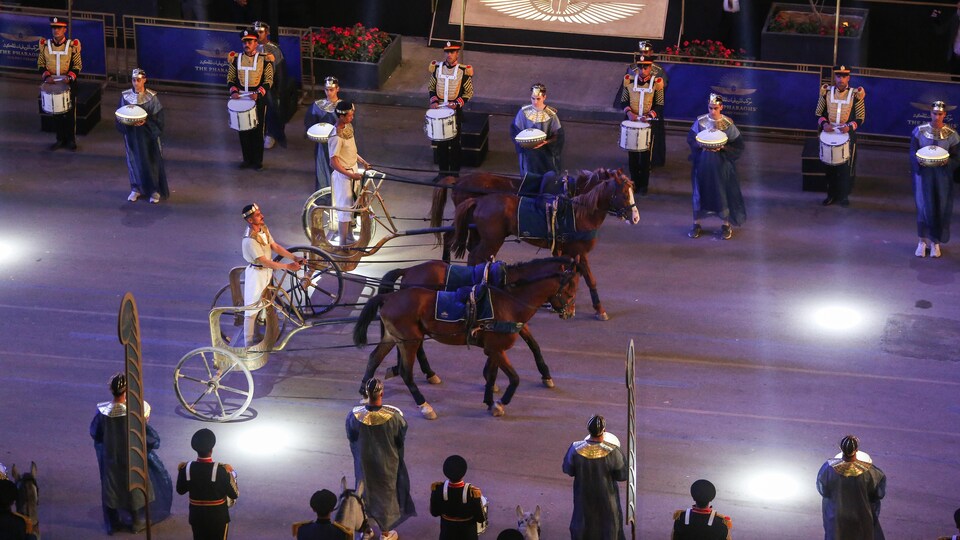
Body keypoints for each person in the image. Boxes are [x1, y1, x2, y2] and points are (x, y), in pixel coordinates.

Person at [90, 373, 173, 533]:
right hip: (132, 456)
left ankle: (114, 523)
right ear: (127, 391)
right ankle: (136, 520)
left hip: (111, 457)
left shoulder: (102, 413)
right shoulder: (135, 412)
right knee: (135, 485)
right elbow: (149, 437)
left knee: (112, 487)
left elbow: (95, 432)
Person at [345, 378, 416, 539]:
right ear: (382, 393)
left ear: (366, 394)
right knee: (385, 497)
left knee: (363, 494)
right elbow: (400, 438)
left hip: (363, 463)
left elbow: (351, 436)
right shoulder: (394, 418)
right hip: (387, 464)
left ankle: (365, 531)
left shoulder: (353, 416)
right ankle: (385, 533)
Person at [240, 203, 304, 346]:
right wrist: (287, 266)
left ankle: (262, 332)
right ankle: (248, 344)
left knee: (264, 302)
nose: (262, 216)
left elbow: (274, 247)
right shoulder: (250, 240)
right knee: (251, 310)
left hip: (266, 273)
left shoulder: (263, 229)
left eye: (260, 213)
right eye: (257, 215)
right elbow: (264, 262)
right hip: (256, 275)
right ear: (250, 220)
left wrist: (294, 258)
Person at [686, 93, 746, 240]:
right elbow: (691, 138)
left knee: (722, 193)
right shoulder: (701, 122)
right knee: (700, 192)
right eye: (710, 108)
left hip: (721, 166)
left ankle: (726, 225)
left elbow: (738, 144)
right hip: (703, 164)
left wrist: (723, 148)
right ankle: (696, 224)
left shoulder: (728, 124)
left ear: (721, 107)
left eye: (715, 108)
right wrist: (700, 145)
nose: (713, 111)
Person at [562, 414, 628, 540]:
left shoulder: (575, 448)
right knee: (608, 529)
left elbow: (568, 469)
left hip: (583, 498)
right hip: (607, 500)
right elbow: (622, 475)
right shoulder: (612, 451)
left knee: (583, 527)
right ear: (604, 430)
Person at [910, 100, 960, 258]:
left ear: (944, 115)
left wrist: (948, 163)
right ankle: (921, 242)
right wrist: (917, 162)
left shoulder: (952, 135)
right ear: (930, 113)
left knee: (940, 207)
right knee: (923, 206)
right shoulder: (919, 131)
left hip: (942, 177)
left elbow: (957, 158)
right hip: (923, 175)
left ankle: (935, 243)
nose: (936, 117)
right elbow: (912, 152)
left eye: (940, 114)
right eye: (934, 113)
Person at [816, 435, 886, 540]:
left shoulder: (828, 468)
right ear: (856, 450)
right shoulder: (869, 471)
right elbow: (877, 492)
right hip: (861, 514)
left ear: (841, 449)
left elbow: (823, 490)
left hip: (837, 515)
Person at [116, 68, 169, 204]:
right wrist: (127, 123)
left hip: (148, 136)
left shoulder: (151, 97)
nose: (136, 83)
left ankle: (154, 190)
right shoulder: (126, 96)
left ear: (144, 80)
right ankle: (136, 188)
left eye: (138, 80)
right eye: (134, 80)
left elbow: (159, 118)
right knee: (133, 159)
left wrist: (146, 122)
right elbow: (120, 115)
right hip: (132, 134)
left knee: (151, 160)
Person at [815, 65, 866, 207]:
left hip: (847, 135)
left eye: (844, 76)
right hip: (829, 133)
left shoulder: (856, 94)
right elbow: (818, 113)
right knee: (829, 168)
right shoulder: (826, 92)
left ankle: (843, 196)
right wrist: (824, 124)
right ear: (835, 77)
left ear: (848, 77)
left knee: (845, 168)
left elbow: (861, 118)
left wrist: (849, 127)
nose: (841, 79)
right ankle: (831, 195)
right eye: (838, 76)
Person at [177, 428, 239, 540]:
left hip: (196, 516)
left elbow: (180, 490)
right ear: (212, 449)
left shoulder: (187, 468)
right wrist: (232, 474)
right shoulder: (222, 470)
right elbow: (234, 494)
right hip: (218, 518)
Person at [616, 53, 664, 196]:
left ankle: (644, 185)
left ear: (651, 68)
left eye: (646, 67)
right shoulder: (628, 81)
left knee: (645, 156)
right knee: (633, 156)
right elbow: (623, 101)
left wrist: (649, 116)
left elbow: (659, 105)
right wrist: (630, 113)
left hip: (648, 124)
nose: (643, 70)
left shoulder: (657, 83)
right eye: (641, 67)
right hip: (632, 122)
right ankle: (634, 183)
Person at [227, 27, 273, 171]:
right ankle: (246, 159)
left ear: (255, 42)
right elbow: (230, 78)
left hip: (257, 100)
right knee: (243, 131)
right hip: (240, 99)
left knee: (257, 131)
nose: (247, 44)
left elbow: (269, 80)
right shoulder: (236, 59)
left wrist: (258, 93)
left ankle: (257, 161)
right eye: (245, 42)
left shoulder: (265, 59)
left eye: (250, 41)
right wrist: (233, 91)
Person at [428, 41, 474, 180]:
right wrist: (434, 101)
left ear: (457, 54)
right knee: (441, 144)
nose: (449, 55)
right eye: (447, 52)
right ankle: (442, 173)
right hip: (439, 110)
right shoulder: (437, 68)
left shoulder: (463, 71)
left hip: (455, 112)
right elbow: (431, 87)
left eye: (452, 52)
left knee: (454, 145)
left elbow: (469, 92)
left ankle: (454, 175)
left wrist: (457, 104)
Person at [328, 101, 371, 245]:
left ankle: (350, 235)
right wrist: (351, 175)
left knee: (353, 207)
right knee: (344, 211)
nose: (352, 117)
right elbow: (333, 162)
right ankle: (342, 243)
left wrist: (363, 162)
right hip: (343, 176)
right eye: (350, 115)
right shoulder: (336, 136)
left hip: (353, 170)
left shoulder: (348, 127)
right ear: (341, 116)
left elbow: (352, 151)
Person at [37, 16, 82, 151]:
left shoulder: (72, 45)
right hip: (51, 83)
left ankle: (71, 140)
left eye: (59, 28)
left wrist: (70, 77)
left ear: (64, 29)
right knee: (56, 113)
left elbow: (78, 65)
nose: (56, 30)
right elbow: (40, 63)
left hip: (67, 83)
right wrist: (46, 76)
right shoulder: (45, 45)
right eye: (54, 28)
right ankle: (59, 139)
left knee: (69, 113)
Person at [511, 82, 564, 194]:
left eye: (538, 99)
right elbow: (515, 129)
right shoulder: (523, 113)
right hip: (528, 153)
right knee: (529, 179)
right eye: (533, 98)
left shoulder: (551, 115)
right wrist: (521, 142)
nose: (535, 102)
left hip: (545, 154)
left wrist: (546, 142)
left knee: (546, 180)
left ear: (544, 97)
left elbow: (558, 135)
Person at [430, 454, 486, 540]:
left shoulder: (438, 489)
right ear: (464, 472)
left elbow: (434, 512)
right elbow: (480, 518)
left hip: (447, 535)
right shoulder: (471, 493)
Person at [304, 76, 342, 192]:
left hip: (339, 143)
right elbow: (309, 124)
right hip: (322, 143)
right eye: (327, 90)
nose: (329, 92)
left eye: (331, 89)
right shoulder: (317, 106)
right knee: (322, 167)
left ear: (337, 89)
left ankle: (339, 192)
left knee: (339, 168)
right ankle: (324, 192)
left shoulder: (343, 106)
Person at [254, 20, 287, 149]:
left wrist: (278, 89)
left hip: (270, 86)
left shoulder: (274, 49)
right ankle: (257, 134)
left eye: (261, 32)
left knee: (272, 110)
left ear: (266, 32)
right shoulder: (251, 46)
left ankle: (271, 134)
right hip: (254, 85)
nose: (258, 34)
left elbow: (279, 71)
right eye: (256, 32)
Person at [932, 2, 960, 78]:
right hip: (955, 58)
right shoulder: (955, 18)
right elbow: (940, 30)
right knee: (955, 81)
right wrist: (935, 17)